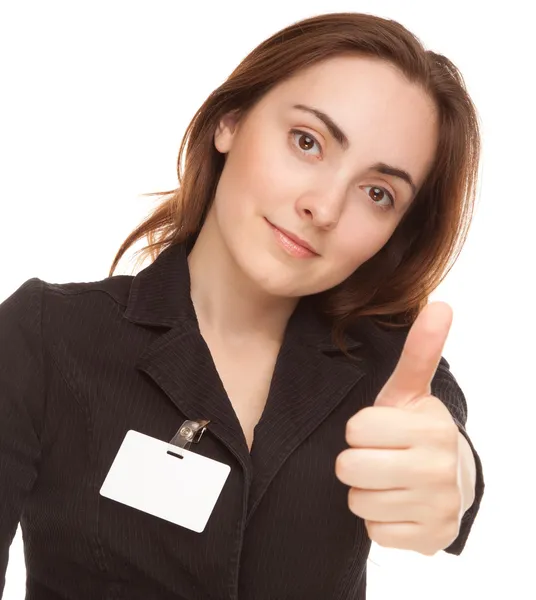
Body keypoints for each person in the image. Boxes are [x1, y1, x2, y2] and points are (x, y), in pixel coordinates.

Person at [0, 11, 485, 600]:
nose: (324, 207)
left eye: (378, 193)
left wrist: (460, 472)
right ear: (230, 121)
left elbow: (442, 429)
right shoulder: (49, 335)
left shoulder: (387, 371)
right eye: (308, 142)